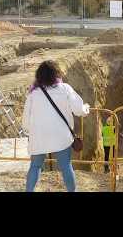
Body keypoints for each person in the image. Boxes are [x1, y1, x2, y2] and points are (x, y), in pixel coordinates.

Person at [22, 60, 90, 192]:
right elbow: (78, 110)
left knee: (35, 166)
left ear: (39, 75)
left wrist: (30, 132)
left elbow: (26, 119)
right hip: (61, 137)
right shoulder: (65, 88)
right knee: (65, 166)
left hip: (39, 136)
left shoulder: (33, 93)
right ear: (56, 74)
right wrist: (86, 108)